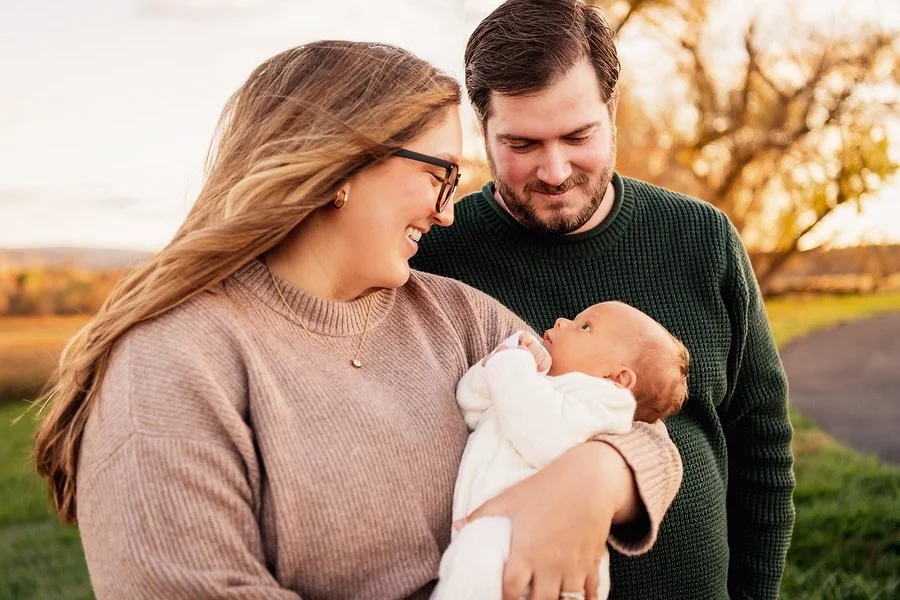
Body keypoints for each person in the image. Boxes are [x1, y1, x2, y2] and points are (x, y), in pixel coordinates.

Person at [32, 40, 682, 600]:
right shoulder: (176, 360)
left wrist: (596, 477)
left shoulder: (457, 318)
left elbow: (630, 419)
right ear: (344, 166)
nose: (447, 212)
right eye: (440, 176)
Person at [410, 1, 796, 598]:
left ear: (611, 111)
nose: (555, 170)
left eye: (577, 135)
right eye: (522, 143)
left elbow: (759, 440)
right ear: (481, 129)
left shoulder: (701, 238)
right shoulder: (433, 251)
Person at [434, 301, 690, 600]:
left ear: (617, 379)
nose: (560, 321)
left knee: (470, 569)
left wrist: (512, 367)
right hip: (496, 537)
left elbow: (545, 436)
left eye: (585, 327)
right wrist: (495, 362)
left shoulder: (604, 402)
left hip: (541, 550)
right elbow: (470, 406)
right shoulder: (537, 386)